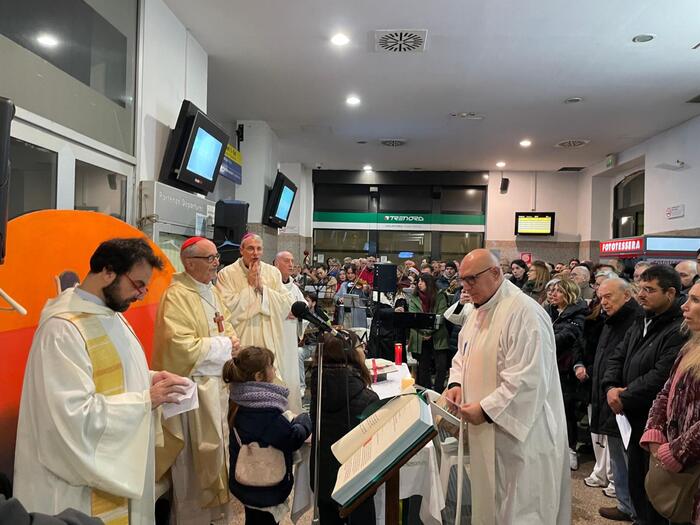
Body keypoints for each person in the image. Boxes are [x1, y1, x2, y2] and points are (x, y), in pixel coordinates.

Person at [13, 238, 189, 524]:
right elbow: (71, 418)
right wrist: (147, 399)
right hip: (77, 488)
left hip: (110, 472)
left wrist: (152, 378)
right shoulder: (63, 329)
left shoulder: (110, 313)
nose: (142, 294)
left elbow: (116, 374)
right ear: (108, 272)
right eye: (138, 284)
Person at [445, 249, 570, 524]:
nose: (465, 287)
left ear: (495, 273)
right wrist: (455, 382)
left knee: (522, 510)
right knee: (492, 505)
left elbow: (528, 379)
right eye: (462, 279)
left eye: (471, 279)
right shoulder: (479, 310)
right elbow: (463, 353)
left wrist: (486, 410)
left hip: (521, 436)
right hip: (488, 432)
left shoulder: (525, 313)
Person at [152, 236, 241, 524]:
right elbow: (180, 347)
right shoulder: (176, 295)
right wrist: (226, 344)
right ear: (189, 263)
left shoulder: (210, 290)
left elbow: (227, 325)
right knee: (192, 465)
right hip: (193, 394)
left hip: (217, 389)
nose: (217, 263)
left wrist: (231, 340)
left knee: (218, 457)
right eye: (211, 258)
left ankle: (218, 516)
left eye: (217, 257)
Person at [602, 265, 689, 525]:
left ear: (670, 293)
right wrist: (610, 387)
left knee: (655, 488)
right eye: (640, 288)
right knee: (636, 479)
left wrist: (623, 396)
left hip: (655, 419)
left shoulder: (678, 329)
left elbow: (661, 376)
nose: (641, 295)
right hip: (629, 413)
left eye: (649, 290)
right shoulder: (642, 318)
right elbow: (617, 355)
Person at [225, 346, 312, 525]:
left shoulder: (238, 399)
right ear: (259, 376)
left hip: (245, 481)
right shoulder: (265, 409)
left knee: (254, 519)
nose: (274, 369)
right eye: (271, 366)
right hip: (265, 486)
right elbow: (291, 438)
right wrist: (304, 420)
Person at [640, 281, 700, 522]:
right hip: (680, 464)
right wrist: (655, 432)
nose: (684, 306)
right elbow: (666, 392)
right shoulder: (690, 347)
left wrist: (676, 452)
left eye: (696, 301)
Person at [585, 278, 642, 520]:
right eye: (600, 297)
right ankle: (625, 504)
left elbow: (630, 362)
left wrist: (617, 390)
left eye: (609, 296)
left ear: (627, 296)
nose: (603, 302)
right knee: (617, 454)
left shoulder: (635, 320)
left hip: (625, 399)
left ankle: (637, 509)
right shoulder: (611, 320)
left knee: (631, 460)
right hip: (609, 393)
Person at [310, 331, 379, 525]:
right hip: (357, 483)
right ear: (350, 354)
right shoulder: (368, 399)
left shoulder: (317, 389)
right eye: (359, 346)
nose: (364, 349)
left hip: (323, 481)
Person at [216, 233, 295, 398]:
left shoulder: (273, 272)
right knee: (242, 379)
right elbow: (225, 307)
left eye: (259, 249)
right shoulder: (226, 274)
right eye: (251, 248)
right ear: (241, 250)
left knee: (269, 379)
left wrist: (262, 290)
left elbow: (286, 304)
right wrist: (250, 288)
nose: (255, 253)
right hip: (242, 335)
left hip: (269, 333)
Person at [545, 277, 588, 470]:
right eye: (551, 290)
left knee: (566, 409)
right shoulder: (550, 311)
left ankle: (571, 449)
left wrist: (542, 338)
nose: (552, 294)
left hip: (566, 370)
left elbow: (565, 337)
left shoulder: (578, 313)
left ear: (569, 293)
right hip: (550, 366)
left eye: (558, 291)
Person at [273, 250, 305, 411]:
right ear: (276, 264)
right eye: (286, 261)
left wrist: (299, 315)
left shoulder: (295, 288)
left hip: (290, 337)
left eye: (292, 261)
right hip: (275, 336)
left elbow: (304, 308)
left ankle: (292, 409)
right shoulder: (270, 286)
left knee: (291, 372)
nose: (291, 264)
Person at [409, 273, 450, 391]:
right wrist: (424, 333)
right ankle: (425, 392)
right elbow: (414, 317)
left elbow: (441, 315)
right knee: (423, 367)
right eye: (418, 281)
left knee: (441, 366)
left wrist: (429, 332)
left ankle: (438, 392)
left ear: (429, 283)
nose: (419, 283)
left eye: (422, 281)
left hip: (438, 335)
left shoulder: (440, 296)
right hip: (420, 337)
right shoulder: (414, 298)